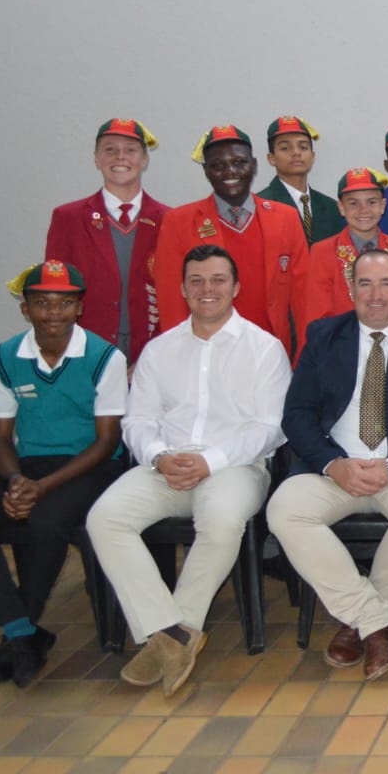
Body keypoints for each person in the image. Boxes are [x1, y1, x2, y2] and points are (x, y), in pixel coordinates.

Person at [88, 245, 291, 696]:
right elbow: (137, 420)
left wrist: (209, 461)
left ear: (235, 287)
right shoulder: (159, 350)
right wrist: (159, 455)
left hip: (235, 467)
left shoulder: (264, 348)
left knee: (220, 520)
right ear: (182, 289)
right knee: (104, 518)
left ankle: (170, 635)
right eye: (196, 281)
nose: (207, 289)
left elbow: (270, 427)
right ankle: (172, 632)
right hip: (165, 465)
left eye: (218, 280)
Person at [271, 249, 388, 680]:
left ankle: (357, 623)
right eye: (365, 284)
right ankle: (376, 620)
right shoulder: (325, 335)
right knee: (284, 511)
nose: (375, 295)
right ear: (351, 288)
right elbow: (297, 414)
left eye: (385, 284)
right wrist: (332, 464)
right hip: (336, 466)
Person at [0, 261, 126, 688]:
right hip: (28, 467)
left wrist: (40, 489)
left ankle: (18, 636)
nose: (53, 313)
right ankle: (22, 632)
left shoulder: (105, 357)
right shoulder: (4, 357)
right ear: (25, 309)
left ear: (79, 308)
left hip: (93, 466)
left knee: (46, 519)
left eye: (64, 303)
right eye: (42, 303)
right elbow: (0, 438)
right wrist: (15, 482)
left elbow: (106, 442)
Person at [151, 126, 308, 355]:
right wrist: (181, 356)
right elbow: (171, 300)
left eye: (239, 162)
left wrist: (305, 357)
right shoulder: (179, 222)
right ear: (206, 171)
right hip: (206, 353)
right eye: (218, 165)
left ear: (254, 165)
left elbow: (304, 298)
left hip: (270, 353)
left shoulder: (286, 217)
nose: (230, 171)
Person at [45, 118, 169, 364]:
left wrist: (152, 357)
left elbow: (176, 293)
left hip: (151, 350)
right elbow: (56, 293)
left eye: (130, 150)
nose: (120, 157)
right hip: (86, 350)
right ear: (96, 158)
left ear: (145, 159)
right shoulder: (68, 218)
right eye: (110, 150)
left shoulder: (169, 220)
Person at [300, 168, 388, 349]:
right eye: (353, 203)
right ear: (341, 208)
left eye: (372, 202)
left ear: (383, 205)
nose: (363, 210)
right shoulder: (322, 252)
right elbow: (318, 317)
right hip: (340, 347)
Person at [256, 115, 343, 246]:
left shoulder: (332, 207)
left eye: (303, 147)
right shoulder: (260, 205)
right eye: (285, 148)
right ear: (271, 158)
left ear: (312, 156)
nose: (296, 153)